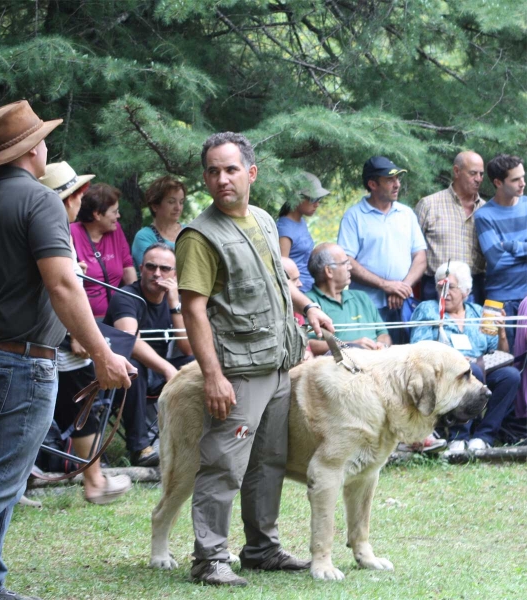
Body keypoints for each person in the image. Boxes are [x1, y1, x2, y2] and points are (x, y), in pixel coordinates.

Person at [0, 100, 135, 600]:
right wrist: (102, 353)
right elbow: (63, 286)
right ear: (35, 148)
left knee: (1, 475)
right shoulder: (40, 201)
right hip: (23, 361)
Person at [175, 132, 333, 586]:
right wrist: (212, 376)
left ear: (251, 172)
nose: (221, 179)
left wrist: (310, 307)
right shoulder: (199, 236)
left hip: (278, 363)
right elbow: (193, 309)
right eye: (212, 171)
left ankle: (261, 549)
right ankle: (209, 559)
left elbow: (278, 284)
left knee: (269, 461)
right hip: (238, 372)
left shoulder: (263, 220)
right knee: (224, 462)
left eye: (230, 169)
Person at [40, 161, 132, 504]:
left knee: (73, 409)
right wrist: (75, 335)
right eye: (78, 193)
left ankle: (92, 480)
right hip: (61, 344)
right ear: (71, 198)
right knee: (81, 409)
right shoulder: (54, 230)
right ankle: (94, 483)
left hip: (51, 342)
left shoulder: (50, 228)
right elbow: (59, 290)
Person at [410, 261, 520, 454]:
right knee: (469, 371)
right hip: (445, 374)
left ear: (465, 291)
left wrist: (501, 332)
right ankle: (458, 437)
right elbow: (420, 348)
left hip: (481, 369)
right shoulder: (429, 309)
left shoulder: (478, 313)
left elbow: (500, 353)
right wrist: (455, 359)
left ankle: (484, 436)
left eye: (450, 287)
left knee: (510, 375)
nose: (445, 293)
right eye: (440, 287)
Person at [104, 243, 193, 467]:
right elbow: (129, 340)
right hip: (118, 378)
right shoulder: (126, 296)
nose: (157, 273)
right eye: (151, 267)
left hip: (157, 376)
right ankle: (140, 449)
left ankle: (195, 443)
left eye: (165, 269)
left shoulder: (175, 299)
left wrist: (174, 303)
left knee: (196, 365)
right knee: (134, 365)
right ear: (141, 268)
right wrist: (166, 368)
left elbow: (188, 348)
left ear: (174, 274)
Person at [337, 156, 427, 344]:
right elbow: (347, 261)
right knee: (374, 360)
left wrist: (403, 287)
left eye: (398, 179)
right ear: (372, 184)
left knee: (405, 361)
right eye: (389, 180)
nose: (397, 185)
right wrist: (386, 285)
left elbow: (420, 256)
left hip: (404, 305)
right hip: (367, 305)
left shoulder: (406, 214)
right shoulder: (354, 216)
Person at [415, 151, 486, 303]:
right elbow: (411, 249)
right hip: (436, 286)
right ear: (456, 171)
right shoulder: (429, 205)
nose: (478, 179)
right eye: (473, 173)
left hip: (474, 286)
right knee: (435, 326)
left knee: (472, 327)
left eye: (481, 174)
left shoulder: (486, 210)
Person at [475, 154, 527, 353]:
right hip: (499, 300)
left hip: (526, 298)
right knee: (502, 362)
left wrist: (512, 246)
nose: (522, 183)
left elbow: (504, 255)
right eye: (515, 179)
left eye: (523, 177)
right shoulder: (484, 215)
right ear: (498, 182)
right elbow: (496, 261)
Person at [305, 243, 391, 354]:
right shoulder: (308, 303)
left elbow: (383, 333)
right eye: (345, 263)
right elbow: (308, 344)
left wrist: (382, 345)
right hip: (341, 367)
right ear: (329, 271)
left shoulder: (362, 297)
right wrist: (351, 345)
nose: (350, 267)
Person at [71, 183, 137, 319]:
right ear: (97, 214)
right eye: (114, 211)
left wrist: (135, 306)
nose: (118, 216)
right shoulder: (71, 233)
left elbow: (127, 267)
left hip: (117, 318)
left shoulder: (115, 230)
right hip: (84, 319)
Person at [277, 172, 329, 292]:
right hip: (298, 293)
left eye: (319, 199)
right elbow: (282, 270)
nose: (317, 204)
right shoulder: (285, 229)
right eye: (313, 199)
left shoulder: (300, 221)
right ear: (297, 198)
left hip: (310, 288)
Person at [131, 176, 186, 270]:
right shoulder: (144, 236)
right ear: (155, 206)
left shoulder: (189, 231)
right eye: (171, 202)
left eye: (181, 202)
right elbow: (152, 274)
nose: (178, 208)